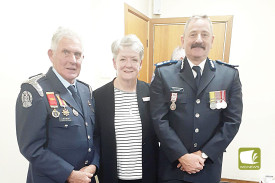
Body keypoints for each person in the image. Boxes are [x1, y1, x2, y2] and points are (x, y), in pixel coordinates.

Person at [150, 15, 243, 183]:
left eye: (204, 34)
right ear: (183, 39)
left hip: (207, 168)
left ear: (212, 39)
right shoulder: (164, 74)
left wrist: (203, 154)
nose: (198, 40)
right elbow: (159, 120)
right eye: (193, 34)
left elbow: (232, 122)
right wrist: (182, 155)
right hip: (172, 169)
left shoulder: (228, 75)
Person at [16, 27, 99, 183]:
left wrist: (94, 165)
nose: (72, 60)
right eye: (65, 52)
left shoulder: (86, 90)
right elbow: (31, 148)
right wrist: (69, 174)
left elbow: (95, 136)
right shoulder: (36, 91)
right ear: (51, 55)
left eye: (77, 54)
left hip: (86, 179)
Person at [93, 34, 159, 183]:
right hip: (113, 177)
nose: (128, 65)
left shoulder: (151, 93)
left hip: (147, 177)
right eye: (122, 59)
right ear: (114, 63)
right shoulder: (99, 96)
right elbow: (96, 138)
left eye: (134, 59)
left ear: (140, 63)